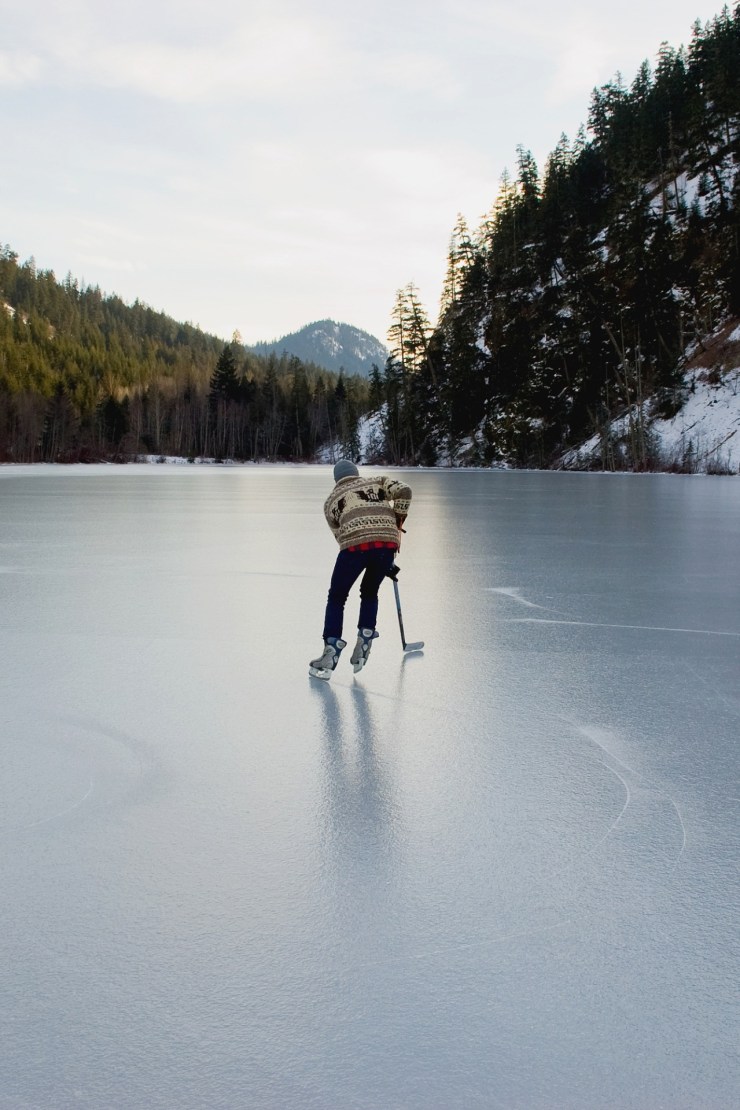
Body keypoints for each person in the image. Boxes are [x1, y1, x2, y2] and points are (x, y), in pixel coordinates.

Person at [309, 460, 412, 679]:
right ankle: (365, 635)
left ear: (336, 479)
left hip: (354, 548)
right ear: (356, 473)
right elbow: (404, 490)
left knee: (337, 597)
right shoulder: (378, 481)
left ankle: (331, 649)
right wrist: (397, 520)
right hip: (386, 544)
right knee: (369, 592)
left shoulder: (331, 502)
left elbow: (340, 536)